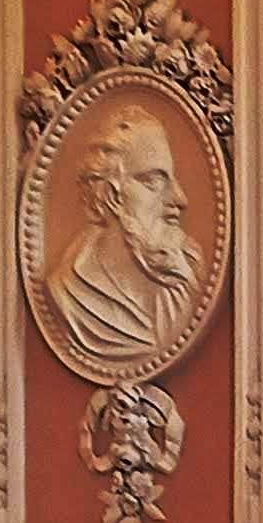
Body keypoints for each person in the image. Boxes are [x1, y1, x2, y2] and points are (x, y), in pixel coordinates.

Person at [47, 102, 204, 373]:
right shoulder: (68, 296)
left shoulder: (183, 276)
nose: (180, 199)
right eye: (154, 181)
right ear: (111, 195)